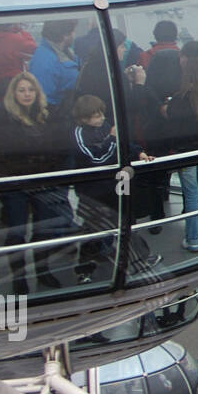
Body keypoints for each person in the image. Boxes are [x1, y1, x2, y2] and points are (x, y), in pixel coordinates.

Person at [0, 72, 73, 294]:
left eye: (30, 90)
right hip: (16, 184)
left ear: (37, 92)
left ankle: (43, 271)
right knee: (17, 232)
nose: (26, 94)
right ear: (13, 93)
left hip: (44, 183)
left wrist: (57, 177)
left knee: (45, 230)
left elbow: (61, 148)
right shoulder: (2, 118)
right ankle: (19, 277)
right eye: (22, 90)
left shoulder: (48, 115)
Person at [68, 95, 155, 284]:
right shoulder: (79, 134)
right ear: (83, 118)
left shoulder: (105, 127)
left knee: (127, 222)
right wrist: (112, 140)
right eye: (95, 115)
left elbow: (122, 145)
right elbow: (95, 158)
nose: (101, 118)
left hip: (114, 186)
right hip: (93, 191)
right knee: (95, 230)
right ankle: (85, 270)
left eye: (101, 114)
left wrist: (138, 152)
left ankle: (139, 259)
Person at [161, 48, 198, 252]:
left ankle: (193, 239)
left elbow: (171, 119)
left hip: (186, 152)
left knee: (192, 194)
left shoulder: (179, 99)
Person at [28, 19, 80, 113]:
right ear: (65, 35)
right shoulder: (44, 61)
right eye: (73, 31)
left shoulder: (64, 52)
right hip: (58, 116)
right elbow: (44, 99)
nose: (74, 35)